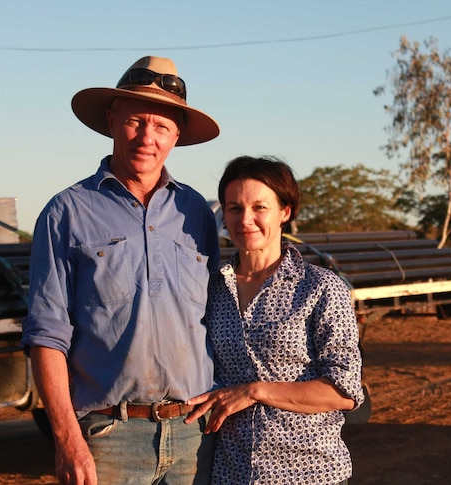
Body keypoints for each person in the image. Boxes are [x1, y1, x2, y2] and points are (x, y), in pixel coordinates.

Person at [21, 56, 221, 485]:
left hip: (193, 436)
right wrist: (67, 440)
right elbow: (46, 335)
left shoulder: (197, 213)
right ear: (112, 120)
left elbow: (216, 320)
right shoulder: (66, 213)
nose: (147, 137)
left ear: (177, 136)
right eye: (135, 121)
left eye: (162, 127)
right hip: (108, 437)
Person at [185, 156, 364, 485]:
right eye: (235, 208)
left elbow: (344, 391)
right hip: (230, 474)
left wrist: (255, 391)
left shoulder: (320, 288)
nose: (246, 220)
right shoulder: (210, 289)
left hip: (310, 473)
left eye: (260, 207)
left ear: (286, 211)